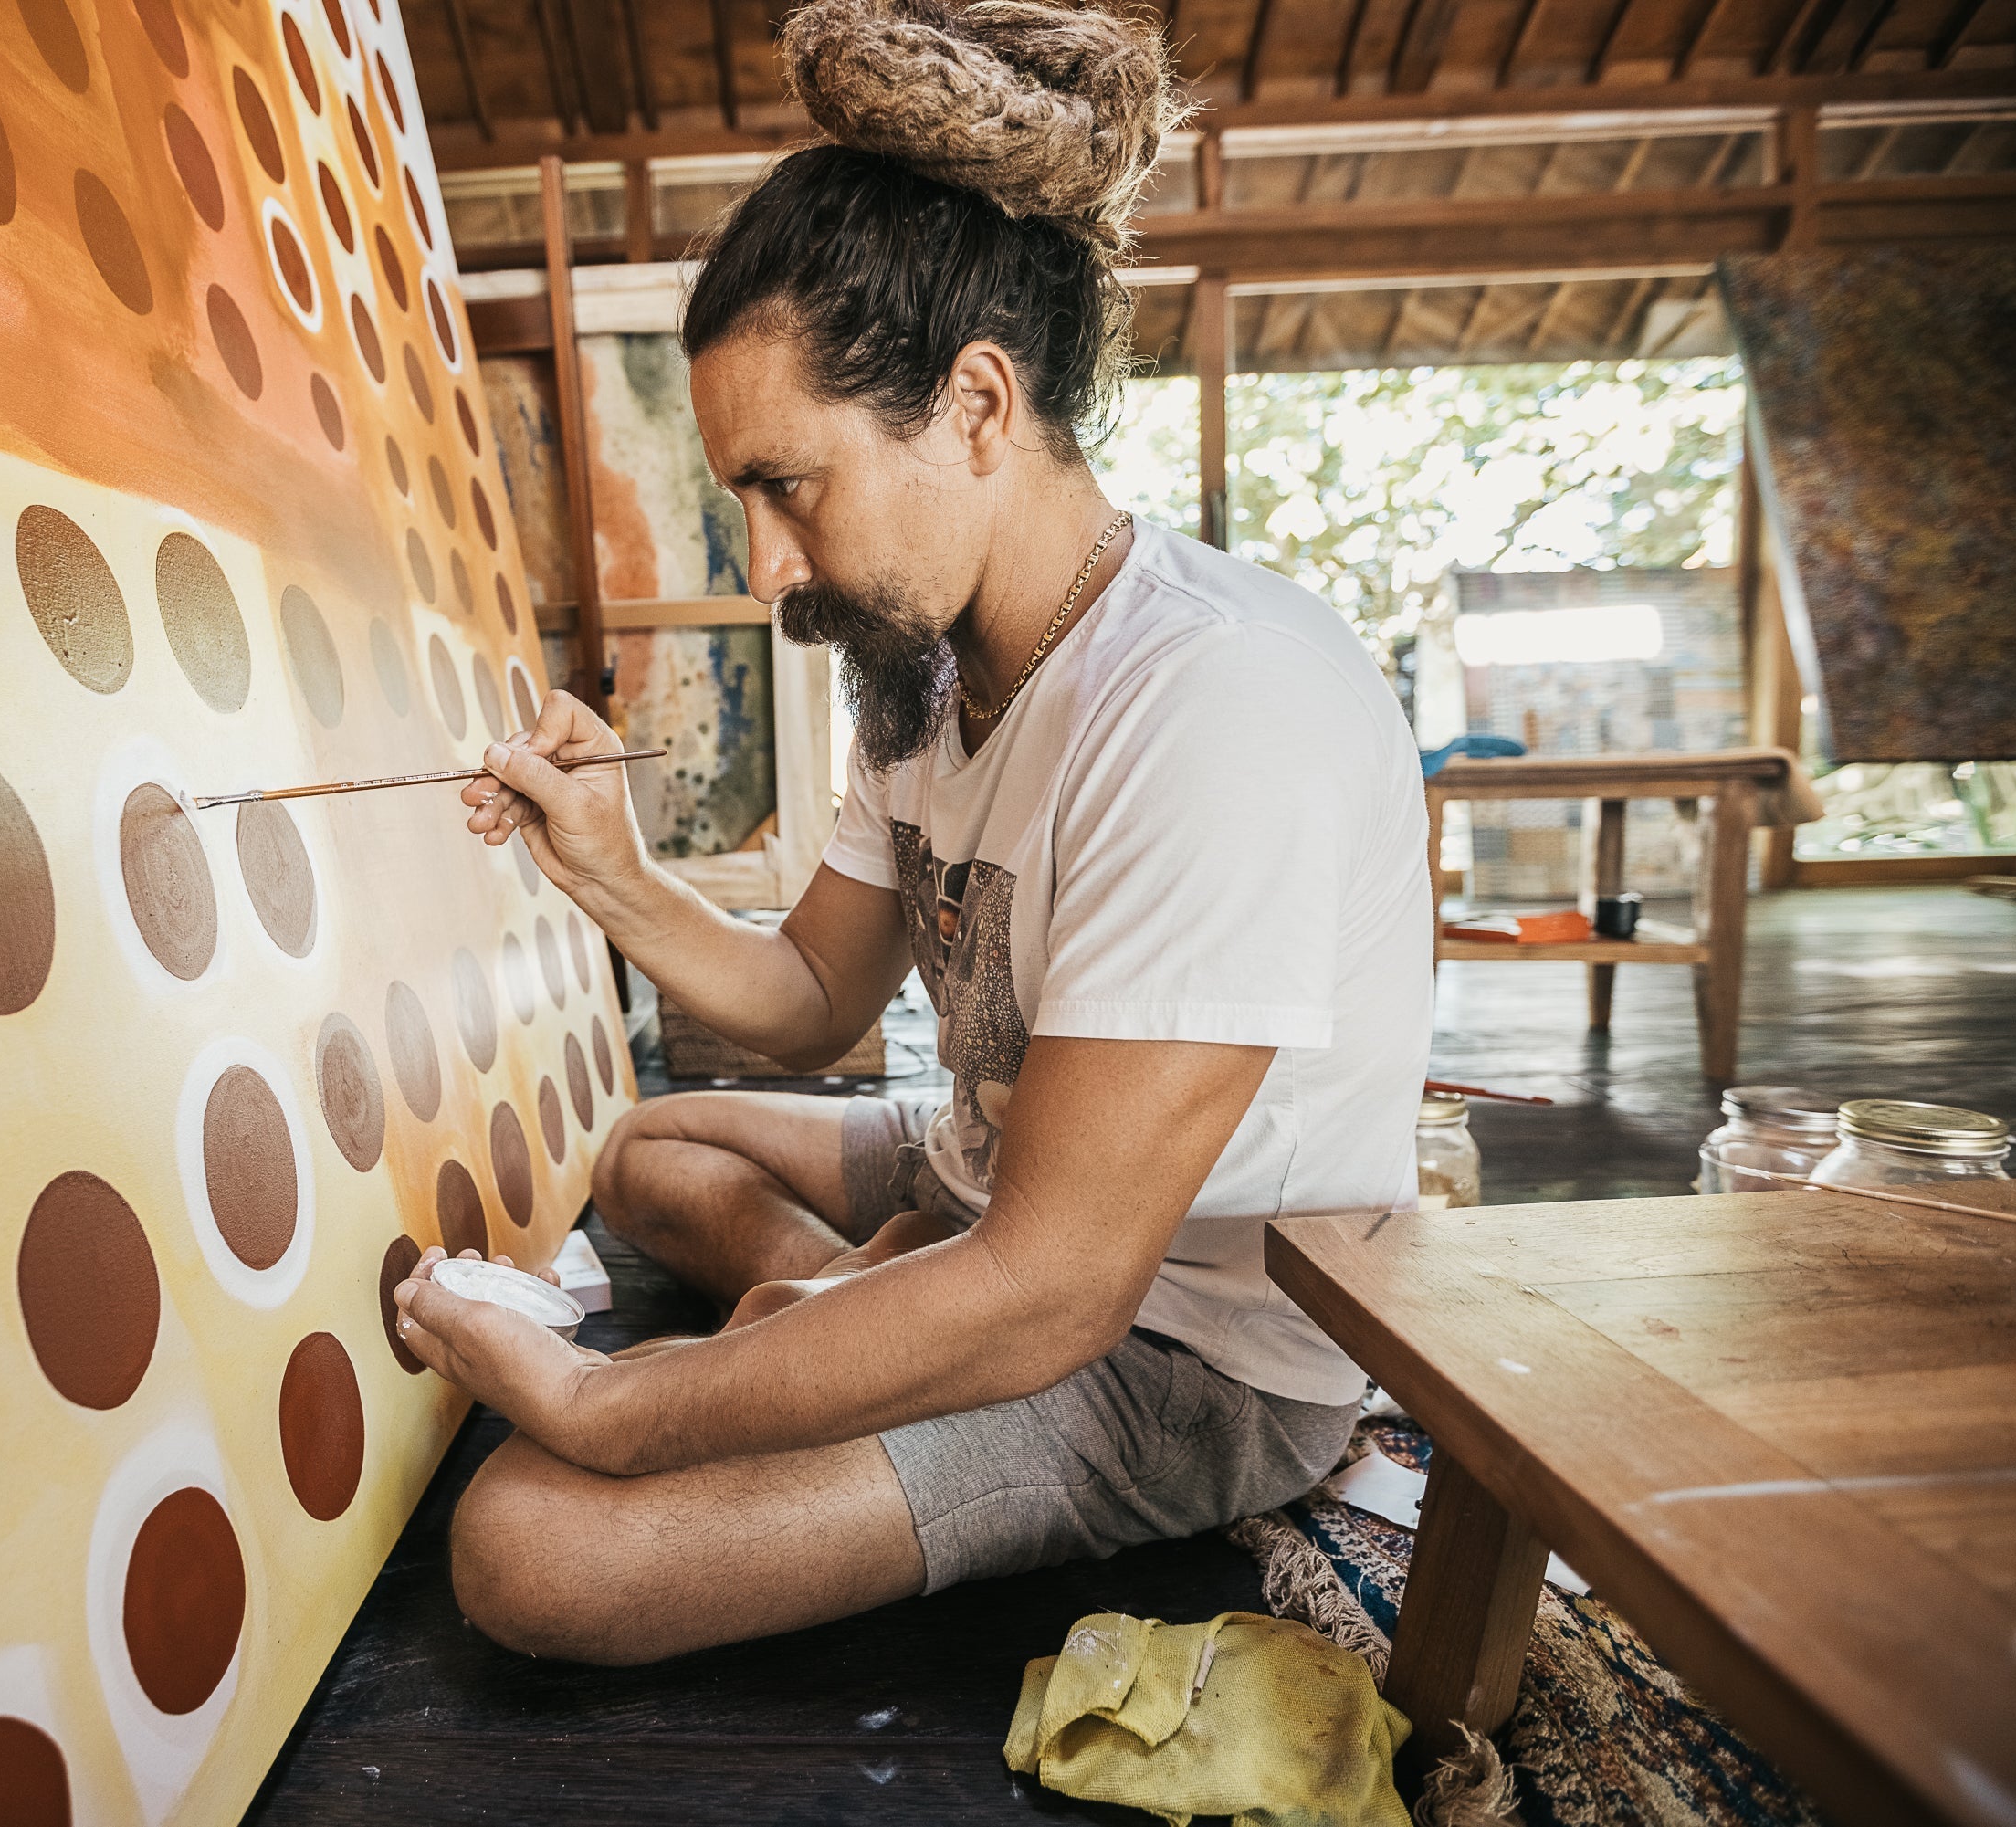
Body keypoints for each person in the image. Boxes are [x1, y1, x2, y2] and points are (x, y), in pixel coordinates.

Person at [392, 0, 1433, 1665]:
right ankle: (850, 1308)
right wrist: (606, 871)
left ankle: (844, 1319)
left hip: (1178, 1344)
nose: (766, 567)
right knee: (649, 1152)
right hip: (990, 1181)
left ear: (971, 405)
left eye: (788, 485)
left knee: (533, 1550)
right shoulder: (926, 674)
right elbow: (812, 993)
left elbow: (1056, 1289)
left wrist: (621, 1406)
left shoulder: (1219, 705)